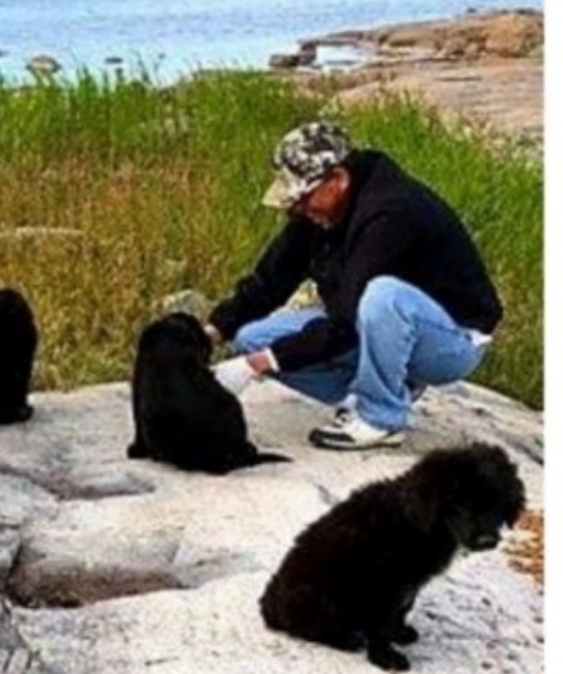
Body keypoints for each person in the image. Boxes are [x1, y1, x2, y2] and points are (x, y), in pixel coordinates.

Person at [206, 121, 502, 450]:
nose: (298, 209)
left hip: (453, 338)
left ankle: (381, 418)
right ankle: (380, 388)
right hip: (368, 324)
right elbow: (270, 281)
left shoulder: (391, 212)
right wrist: (211, 332)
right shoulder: (317, 214)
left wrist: (255, 365)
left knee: (383, 295)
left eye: (303, 198)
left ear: (337, 179)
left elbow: (347, 321)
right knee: (252, 337)